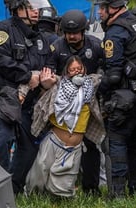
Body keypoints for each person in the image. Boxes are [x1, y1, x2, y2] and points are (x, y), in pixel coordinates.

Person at [0, 0, 54, 194]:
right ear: (18, 8)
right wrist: (27, 76)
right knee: (0, 142)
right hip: (5, 99)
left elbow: (49, 63)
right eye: (31, 8)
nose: (36, 11)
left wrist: (46, 78)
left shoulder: (40, 37)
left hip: (30, 102)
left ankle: (13, 189)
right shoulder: (4, 30)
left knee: (29, 148)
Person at [95, 0, 136, 197]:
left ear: (111, 8)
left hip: (126, 96)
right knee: (135, 141)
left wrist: (98, 89)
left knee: (117, 141)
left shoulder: (115, 31)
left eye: (101, 8)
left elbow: (114, 75)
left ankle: (118, 192)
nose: (99, 12)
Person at [26, 55, 105, 197]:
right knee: (38, 176)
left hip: (74, 147)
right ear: (67, 72)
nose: (76, 72)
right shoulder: (59, 86)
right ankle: (34, 197)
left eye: (79, 69)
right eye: (72, 69)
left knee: (62, 189)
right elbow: (40, 77)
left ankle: (58, 199)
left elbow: (98, 77)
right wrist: (54, 79)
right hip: (54, 141)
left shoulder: (90, 87)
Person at [46, 9, 105, 195]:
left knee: (91, 144)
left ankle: (91, 188)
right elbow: (49, 73)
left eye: (75, 33)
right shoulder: (56, 47)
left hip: (90, 102)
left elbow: (105, 72)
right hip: (63, 105)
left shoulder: (96, 46)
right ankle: (54, 186)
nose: (72, 36)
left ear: (83, 31)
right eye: (68, 33)